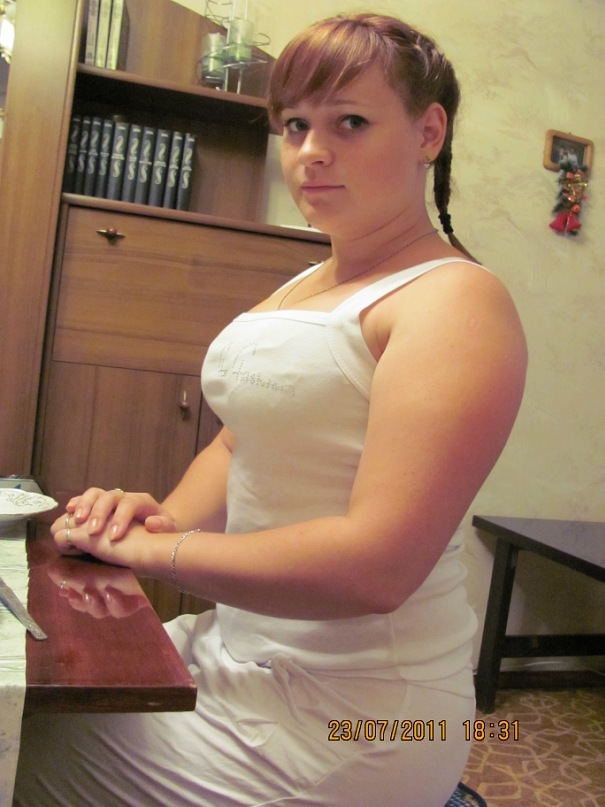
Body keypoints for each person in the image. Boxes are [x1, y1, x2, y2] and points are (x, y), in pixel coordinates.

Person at [15, 13, 527, 807]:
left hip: (353, 717)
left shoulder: (456, 301)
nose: (310, 150)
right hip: (234, 649)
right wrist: (155, 518)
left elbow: (377, 566)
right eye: (293, 125)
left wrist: (161, 551)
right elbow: (239, 442)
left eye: (349, 122)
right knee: (34, 689)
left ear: (428, 132)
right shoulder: (306, 283)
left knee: (18, 744)